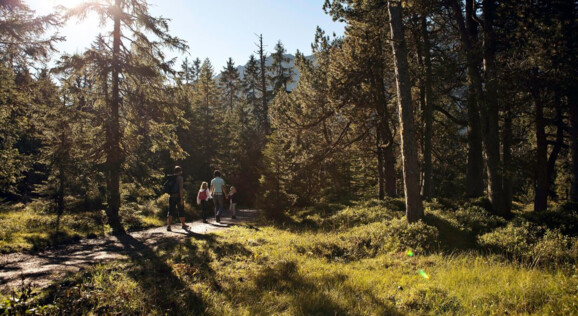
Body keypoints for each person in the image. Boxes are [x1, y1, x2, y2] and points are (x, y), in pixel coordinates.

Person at [167, 166, 189, 231]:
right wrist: (181, 198)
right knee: (181, 210)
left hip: (171, 196)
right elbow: (180, 188)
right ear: (180, 171)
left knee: (170, 211)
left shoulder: (170, 177)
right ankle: (183, 224)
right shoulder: (180, 178)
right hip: (178, 196)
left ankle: (169, 226)